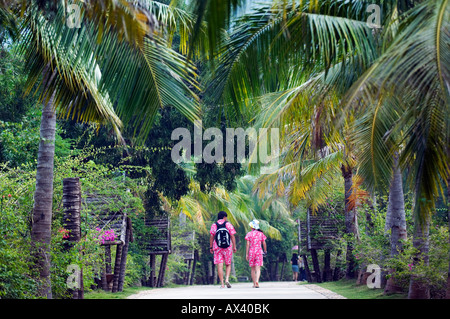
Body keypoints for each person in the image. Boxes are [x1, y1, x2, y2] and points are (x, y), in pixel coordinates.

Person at [209, 211, 237, 288]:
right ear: (224, 217)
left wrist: (211, 247)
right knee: (228, 264)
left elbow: (212, 236)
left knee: (219, 265)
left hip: (217, 247)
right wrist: (234, 246)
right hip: (227, 247)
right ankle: (227, 279)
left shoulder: (214, 225)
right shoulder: (228, 224)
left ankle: (222, 283)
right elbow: (232, 236)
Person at [245, 219, 267, 288]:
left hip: (251, 252)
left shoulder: (249, 234)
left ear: (252, 227)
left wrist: (247, 254)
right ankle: (257, 281)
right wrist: (265, 251)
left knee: (252, 269)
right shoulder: (261, 234)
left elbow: (247, 244)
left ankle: (254, 283)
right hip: (259, 252)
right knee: (258, 269)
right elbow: (264, 243)